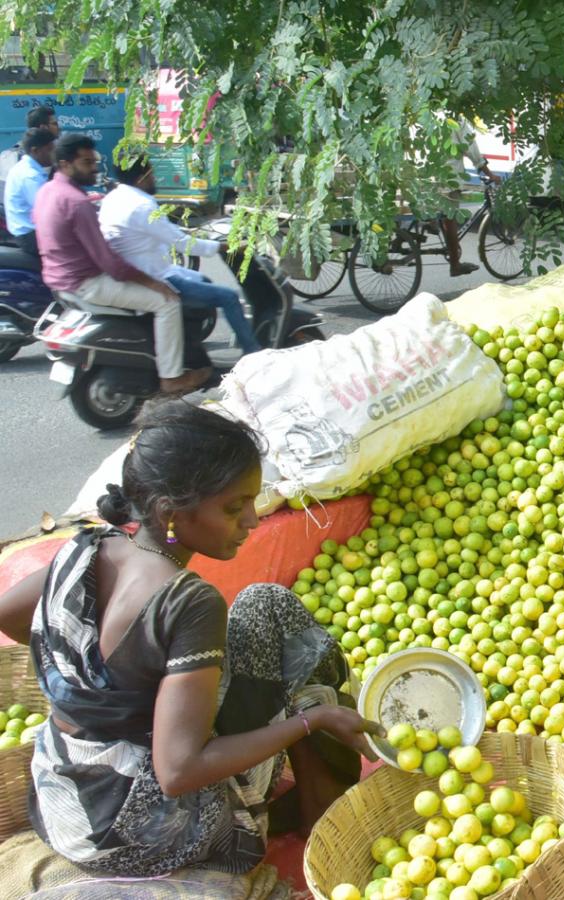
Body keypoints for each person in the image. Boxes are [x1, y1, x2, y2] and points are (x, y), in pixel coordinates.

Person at [0, 401, 379, 877]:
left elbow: (13, 619)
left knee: (263, 606)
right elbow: (178, 773)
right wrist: (314, 720)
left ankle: (307, 793)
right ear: (170, 511)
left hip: (65, 802)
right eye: (234, 507)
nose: (252, 522)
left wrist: (99, 694)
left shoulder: (85, 547)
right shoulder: (186, 600)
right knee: (281, 628)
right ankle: (318, 809)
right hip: (139, 834)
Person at [34, 133, 210, 395]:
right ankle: (172, 377)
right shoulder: (77, 203)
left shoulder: (47, 191)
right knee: (168, 302)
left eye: (93, 162)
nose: (94, 168)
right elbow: (110, 263)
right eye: (86, 163)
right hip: (88, 283)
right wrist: (153, 283)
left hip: (60, 282)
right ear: (65, 164)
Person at [101, 156, 262, 355]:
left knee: (203, 279)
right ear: (141, 178)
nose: (156, 180)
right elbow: (182, 244)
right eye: (153, 175)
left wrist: (196, 234)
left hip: (147, 269)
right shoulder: (141, 207)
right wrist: (226, 247)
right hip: (155, 276)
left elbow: (165, 232)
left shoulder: (113, 198)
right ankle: (253, 352)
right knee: (229, 298)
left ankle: (192, 339)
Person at [442, 118, 500, 277]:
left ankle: (433, 225)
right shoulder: (454, 119)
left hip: (426, 177)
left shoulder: (423, 111)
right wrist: (489, 173)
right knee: (451, 217)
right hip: (448, 178)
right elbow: (471, 149)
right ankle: (455, 264)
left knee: (440, 212)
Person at [3, 127, 55, 256]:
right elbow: (48, 212)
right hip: (31, 237)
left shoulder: (28, 168)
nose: (54, 154)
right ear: (35, 150)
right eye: (50, 149)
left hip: (29, 232)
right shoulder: (30, 176)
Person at [0, 105, 59, 188]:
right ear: (43, 127)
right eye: (54, 124)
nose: (59, 128)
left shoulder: (54, 153)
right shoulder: (12, 156)